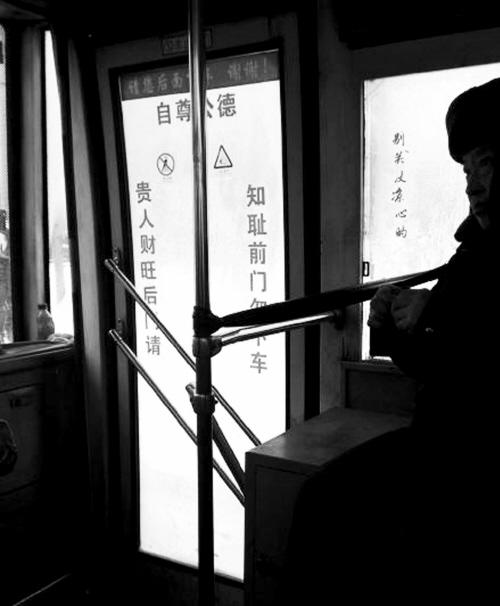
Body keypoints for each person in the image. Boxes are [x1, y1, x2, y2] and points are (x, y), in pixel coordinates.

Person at [281, 78, 499, 604]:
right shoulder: (473, 251)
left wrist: (438, 315)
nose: (472, 187)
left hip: (474, 460)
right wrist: (392, 326)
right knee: (321, 501)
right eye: (466, 172)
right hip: (440, 444)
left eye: (487, 164)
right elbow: (439, 362)